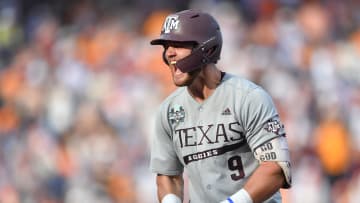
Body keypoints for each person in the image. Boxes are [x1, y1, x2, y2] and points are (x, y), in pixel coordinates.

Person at [149, 9, 292, 203]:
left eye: (178, 44)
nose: (169, 53)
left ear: (206, 48)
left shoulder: (248, 97)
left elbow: (275, 167)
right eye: (166, 46)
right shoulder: (168, 111)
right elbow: (168, 174)